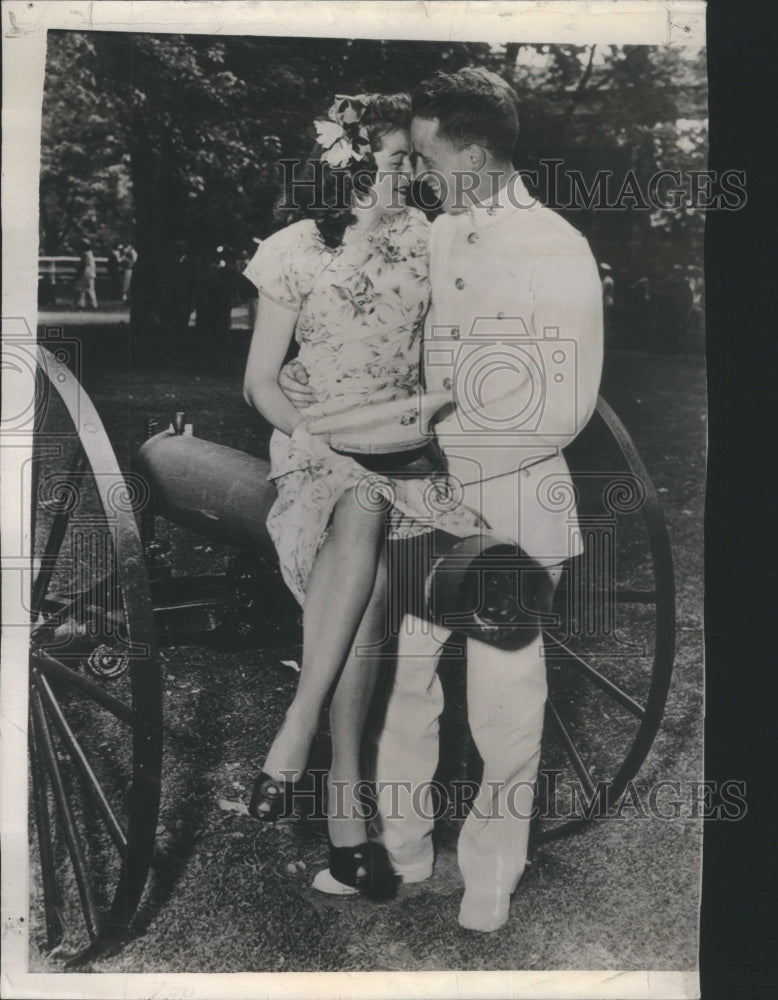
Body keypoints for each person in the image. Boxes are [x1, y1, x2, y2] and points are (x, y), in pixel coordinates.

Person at [280, 68, 604, 931]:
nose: (417, 174)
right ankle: (401, 847)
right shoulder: (437, 231)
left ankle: (492, 871)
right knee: (401, 683)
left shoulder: (556, 244)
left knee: (502, 703)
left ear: (470, 150)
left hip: (510, 509)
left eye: (425, 156)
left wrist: (446, 464)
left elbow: (566, 406)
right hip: (416, 495)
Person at [242, 93, 481, 897]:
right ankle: (340, 794)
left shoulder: (428, 243)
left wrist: (426, 410)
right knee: (360, 518)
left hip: (400, 443)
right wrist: (312, 437)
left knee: (368, 518)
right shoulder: (291, 252)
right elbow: (260, 382)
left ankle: (298, 730)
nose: (408, 176)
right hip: (313, 440)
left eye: (412, 162)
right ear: (344, 168)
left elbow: (445, 363)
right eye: (390, 163)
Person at [74, 240, 98, 309]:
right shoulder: (90, 254)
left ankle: (90, 304)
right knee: (86, 288)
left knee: (85, 288)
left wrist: (78, 268)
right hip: (90, 273)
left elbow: (83, 265)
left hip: (86, 273)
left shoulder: (85, 254)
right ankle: (83, 303)